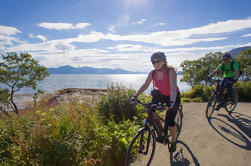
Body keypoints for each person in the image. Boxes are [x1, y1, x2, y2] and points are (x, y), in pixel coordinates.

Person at [131, 52, 180, 152]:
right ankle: (160, 130)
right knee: (150, 111)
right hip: (161, 95)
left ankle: (174, 141)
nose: (155, 63)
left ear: (164, 61)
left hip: (173, 96)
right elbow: (145, 85)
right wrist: (135, 96)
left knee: (170, 121)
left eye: (158, 61)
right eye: (153, 62)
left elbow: (173, 88)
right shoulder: (152, 73)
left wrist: (171, 102)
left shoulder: (170, 71)